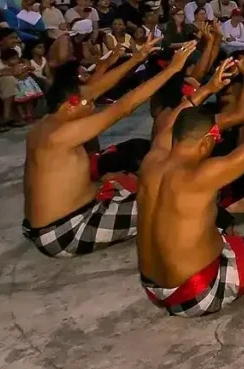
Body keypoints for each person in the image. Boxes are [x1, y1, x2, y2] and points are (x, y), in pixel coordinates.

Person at [137, 56, 244, 317]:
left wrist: (207, 89)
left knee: (217, 222)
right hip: (194, 295)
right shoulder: (203, 173)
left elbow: (172, 123)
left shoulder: (153, 158)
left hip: (151, 289)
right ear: (205, 143)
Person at [21, 38, 186, 258]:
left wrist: (138, 57)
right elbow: (124, 107)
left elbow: (99, 87)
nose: (92, 105)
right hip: (65, 232)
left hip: (55, 224)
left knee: (139, 183)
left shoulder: (46, 125)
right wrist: (172, 70)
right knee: (175, 201)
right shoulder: (60, 134)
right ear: (70, 105)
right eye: (87, 102)